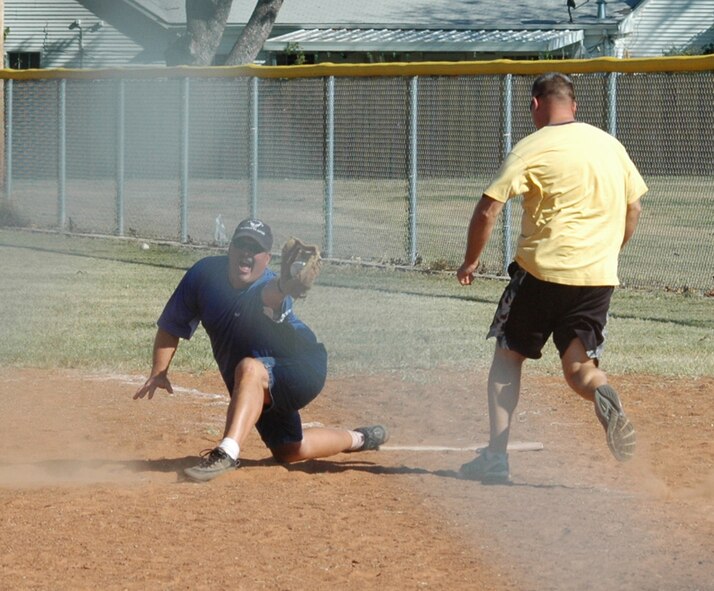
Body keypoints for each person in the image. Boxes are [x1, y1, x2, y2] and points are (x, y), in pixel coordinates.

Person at [456, 72, 647, 484]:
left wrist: (470, 261)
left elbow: (488, 209)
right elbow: (633, 209)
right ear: (574, 106)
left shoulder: (532, 147)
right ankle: (600, 390)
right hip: (596, 277)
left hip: (542, 272)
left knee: (508, 358)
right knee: (580, 367)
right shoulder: (610, 145)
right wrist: (609, 253)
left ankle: (496, 458)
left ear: (535, 105)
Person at [134, 218, 388, 482]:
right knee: (289, 449)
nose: (246, 252)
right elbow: (172, 325)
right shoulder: (204, 276)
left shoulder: (267, 286)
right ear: (230, 248)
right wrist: (159, 370)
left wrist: (284, 285)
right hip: (261, 380)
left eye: (255, 249)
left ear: (267, 258)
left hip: (302, 369)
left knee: (249, 368)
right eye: (241, 244)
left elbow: (271, 294)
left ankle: (226, 453)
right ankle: (361, 438)